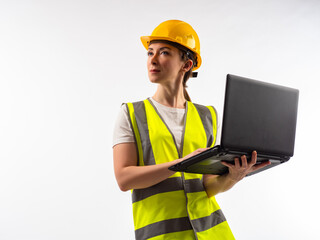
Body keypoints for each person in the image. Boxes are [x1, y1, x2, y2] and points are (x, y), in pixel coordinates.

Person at [113, 20, 270, 240]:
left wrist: (233, 177)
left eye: (164, 52)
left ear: (186, 65)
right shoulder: (131, 113)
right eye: (150, 53)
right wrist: (180, 164)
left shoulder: (207, 116)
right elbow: (124, 178)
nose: (153, 60)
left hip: (212, 233)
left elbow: (207, 187)